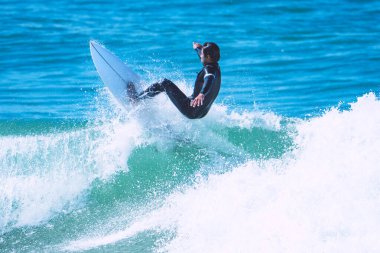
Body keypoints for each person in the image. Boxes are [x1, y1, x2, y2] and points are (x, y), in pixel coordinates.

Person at [132, 42, 221, 119]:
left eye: (201, 54)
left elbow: (209, 78)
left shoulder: (209, 71)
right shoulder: (215, 67)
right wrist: (197, 48)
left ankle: (136, 99)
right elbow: (205, 61)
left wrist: (202, 93)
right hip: (202, 112)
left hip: (190, 109)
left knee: (164, 83)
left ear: (208, 56)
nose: (200, 55)